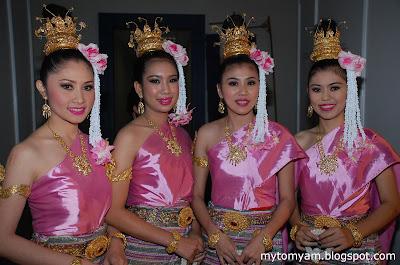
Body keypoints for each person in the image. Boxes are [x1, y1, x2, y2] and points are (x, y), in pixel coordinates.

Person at [0, 4, 127, 265]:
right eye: (67, 86)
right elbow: (4, 240)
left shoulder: (97, 145)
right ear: (43, 89)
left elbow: (112, 212)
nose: (80, 98)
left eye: (87, 87)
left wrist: (115, 246)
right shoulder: (25, 154)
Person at [191, 14, 307, 265]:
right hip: (219, 242)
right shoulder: (206, 134)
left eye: (250, 83)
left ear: (260, 88)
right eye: (233, 83)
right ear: (220, 90)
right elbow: (196, 196)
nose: (243, 92)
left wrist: (263, 238)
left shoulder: (280, 136)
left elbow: (288, 200)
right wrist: (215, 235)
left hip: (266, 240)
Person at [289, 19, 400, 264]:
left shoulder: (371, 144)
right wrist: (297, 226)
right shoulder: (297, 142)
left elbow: (392, 204)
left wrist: (353, 233)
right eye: (317, 89)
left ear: (350, 90)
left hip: (359, 248)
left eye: (335, 88)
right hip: (310, 250)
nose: (325, 97)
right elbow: (287, 199)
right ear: (308, 93)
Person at [105, 18, 204, 264]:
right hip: (145, 250)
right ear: (139, 89)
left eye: (172, 80)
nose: (166, 90)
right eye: (155, 81)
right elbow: (113, 211)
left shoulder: (182, 133)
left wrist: (195, 232)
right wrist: (175, 242)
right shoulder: (129, 136)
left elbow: (192, 198)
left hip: (188, 249)